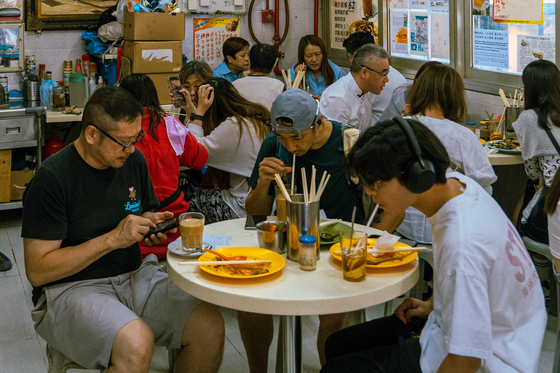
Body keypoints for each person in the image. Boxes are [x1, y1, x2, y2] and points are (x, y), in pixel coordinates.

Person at [21, 86, 225, 372]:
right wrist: (112, 239)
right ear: (92, 134)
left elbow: (141, 212)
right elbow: (38, 270)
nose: (132, 149)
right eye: (124, 143)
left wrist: (151, 224)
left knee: (208, 324)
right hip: (71, 289)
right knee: (136, 343)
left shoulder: (133, 160)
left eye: (136, 139)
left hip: (135, 274)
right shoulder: (52, 179)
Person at [320, 117, 547, 373]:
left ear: (416, 176)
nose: (371, 193)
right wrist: (436, 306)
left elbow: (465, 362)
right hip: (492, 332)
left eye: (375, 184)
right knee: (339, 343)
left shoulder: (461, 244)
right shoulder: (462, 187)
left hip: (491, 361)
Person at [241, 89, 365, 372]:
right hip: (284, 244)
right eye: (283, 137)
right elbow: (255, 211)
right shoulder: (275, 144)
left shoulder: (348, 142)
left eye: (297, 137)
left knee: (333, 317)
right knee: (250, 305)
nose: (290, 145)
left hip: (335, 247)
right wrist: (262, 182)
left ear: (318, 122)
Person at [395, 64, 497, 244]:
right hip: (447, 228)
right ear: (454, 96)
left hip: (404, 223)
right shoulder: (463, 135)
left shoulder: (399, 127)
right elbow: (484, 185)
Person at [120, 73, 209, 259]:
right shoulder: (170, 124)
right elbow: (199, 159)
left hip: (134, 230)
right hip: (175, 226)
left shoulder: (119, 131)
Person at [182, 77, 270, 223]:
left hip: (240, 207)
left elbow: (193, 153)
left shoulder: (234, 127)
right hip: (256, 201)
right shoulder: (249, 119)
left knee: (183, 197)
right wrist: (193, 111)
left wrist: (199, 113)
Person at [514, 59, 560, 297]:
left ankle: (543, 289)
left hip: (554, 202)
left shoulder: (529, 120)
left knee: (521, 218)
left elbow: (532, 174)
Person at [319, 43, 388, 132]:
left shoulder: (365, 91)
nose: (387, 80)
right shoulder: (337, 98)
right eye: (383, 74)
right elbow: (335, 142)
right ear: (364, 72)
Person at [341, 32, 407, 123]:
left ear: (357, 56)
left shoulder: (368, 78)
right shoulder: (398, 75)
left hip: (376, 130)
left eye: (349, 57)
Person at [232, 43, 284, 111]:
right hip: (269, 121)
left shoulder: (234, 85)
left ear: (249, 63)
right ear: (273, 68)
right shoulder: (279, 86)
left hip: (239, 122)